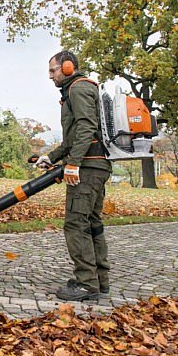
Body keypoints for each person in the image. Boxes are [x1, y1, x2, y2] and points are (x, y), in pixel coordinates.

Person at [35, 51, 112, 302]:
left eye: (53, 70)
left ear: (68, 67)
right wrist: (53, 157)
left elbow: (87, 127)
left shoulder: (78, 89)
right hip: (95, 165)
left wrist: (73, 165)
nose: (50, 76)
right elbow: (73, 137)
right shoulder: (76, 90)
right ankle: (99, 281)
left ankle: (86, 283)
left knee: (76, 224)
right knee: (91, 222)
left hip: (87, 168)